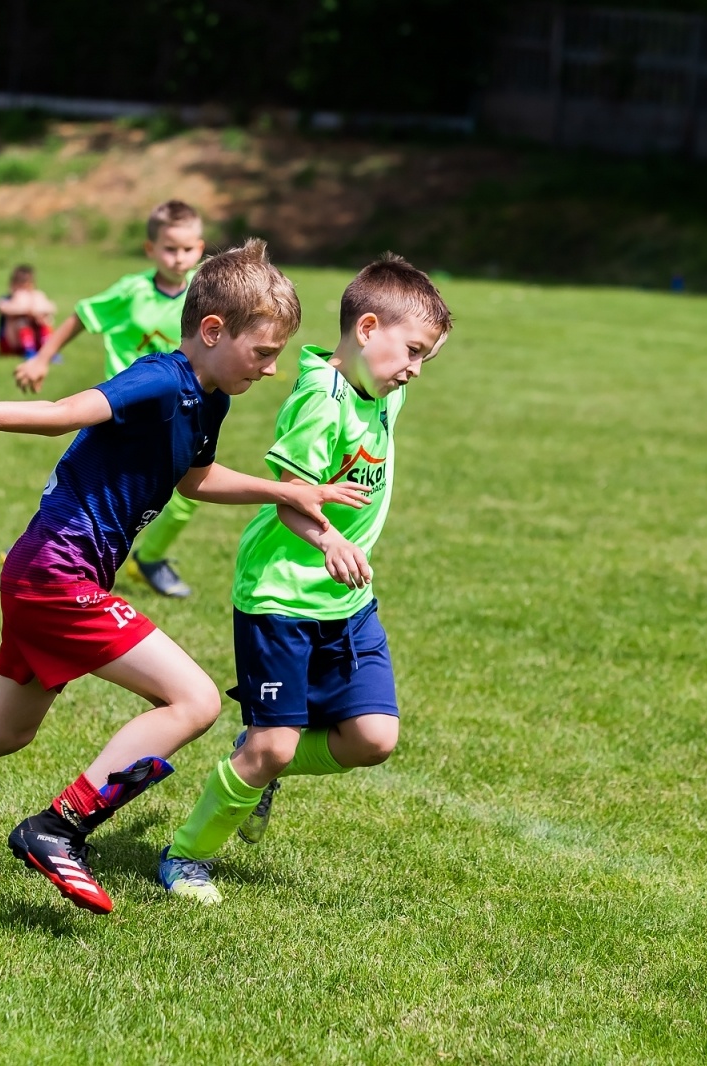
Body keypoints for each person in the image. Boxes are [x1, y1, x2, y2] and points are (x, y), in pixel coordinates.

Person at [0, 239, 372, 915]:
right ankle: (58, 828)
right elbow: (63, 413)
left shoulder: (210, 399)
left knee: (6, 729)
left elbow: (194, 478)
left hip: (45, 572)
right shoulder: (160, 380)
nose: (272, 369)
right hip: (55, 573)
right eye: (264, 352)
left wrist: (286, 492)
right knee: (195, 700)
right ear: (214, 330)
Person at [156, 254, 452, 905]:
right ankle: (185, 857)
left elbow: (390, 328)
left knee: (373, 738)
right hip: (280, 597)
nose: (415, 370)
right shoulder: (321, 400)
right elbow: (292, 495)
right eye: (412, 351)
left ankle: (262, 758)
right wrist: (329, 539)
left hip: (347, 602)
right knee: (274, 748)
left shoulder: (384, 389)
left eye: (426, 357)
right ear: (367, 329)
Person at [13, 200, 208, 599]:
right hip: (123, 411)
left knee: (187, 496)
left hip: (178, 413)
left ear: (200, 248)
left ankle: (150, 559)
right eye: (170, 248)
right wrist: (42, 358)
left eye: (188, 249)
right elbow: (82, 317)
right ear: (150, 249)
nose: (179, 257)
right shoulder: (132, 291)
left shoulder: (202, 296)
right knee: (94, 491)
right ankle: (41, 546)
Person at [0, 264, 57, 358]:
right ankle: (29, 350)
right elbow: (2, 307)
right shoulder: (7, 299)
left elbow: (52, 307)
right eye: (20, 287)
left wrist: (38, 314)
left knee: (46, 320)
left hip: (35, 337)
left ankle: (48, 350)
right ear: (12, 285)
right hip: (11, 343)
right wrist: (25, 310)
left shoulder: (36, 296)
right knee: (21, 321)